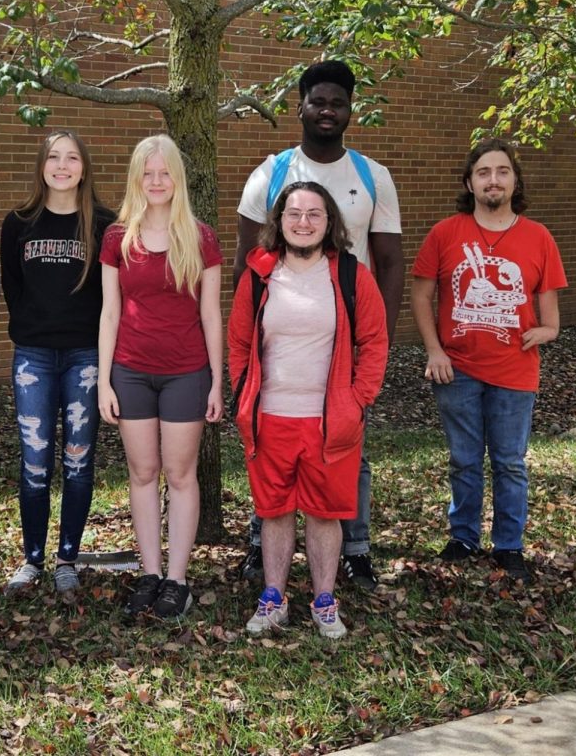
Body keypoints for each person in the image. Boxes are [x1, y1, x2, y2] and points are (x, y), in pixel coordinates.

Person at [233, 60, 403, 591]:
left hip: (344, 343)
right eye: (318, 101)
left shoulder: (373, 176)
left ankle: (356, 550)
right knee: (271, 447)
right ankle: (264, 548)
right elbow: (246, 263)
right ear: (300, 105)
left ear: (351, 111)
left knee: (350, 448)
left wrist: (376, 344)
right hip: (280, 339)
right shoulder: (271, 173)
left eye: (338, 102)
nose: (328, 110)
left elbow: (391, 262)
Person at [229, 182, 388, 639]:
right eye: (294, 213)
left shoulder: (351, 276)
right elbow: (240, 341)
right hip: (269, 416)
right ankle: (274, 597)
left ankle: (323, 600)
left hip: (330, 421)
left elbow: (374, 341)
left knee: (324, 513)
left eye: (314, 214)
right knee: (274, 510)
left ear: (329, 222)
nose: (303, 222)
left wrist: (359, 399)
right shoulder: (258, 275)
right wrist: (243, 394)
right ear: (279, 221)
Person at [410, 138, 566, 586]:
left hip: (515, 370)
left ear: (515, 181)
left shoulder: (538, 236)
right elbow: (421, 293)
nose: (493, 179)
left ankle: (509, 545)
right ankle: (463, 538)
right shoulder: (445, 233)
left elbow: (550, 308)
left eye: (502, 171)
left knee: (509, 461)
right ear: (469, 182)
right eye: (483, 172)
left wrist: (547, 330)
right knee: (463, 458)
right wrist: (434, 349)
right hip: (456, 368)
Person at [99, 134, 224, 619]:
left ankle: (177, 579)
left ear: (177, 178)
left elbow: (211, 314)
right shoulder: (117, 238)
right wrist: (105, 380)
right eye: (147, 173)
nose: (156, 181)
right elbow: (109, 314)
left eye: (164, 172)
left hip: (185, 373)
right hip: (130, 372)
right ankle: (149, 573)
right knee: (142, 473)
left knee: (180, 474)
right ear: (136, 178)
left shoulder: (200, 236)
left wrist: (217, 381)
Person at [0, 131, 116, 597]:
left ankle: (67, 557)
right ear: (41, 166)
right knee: (34, 464)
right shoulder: (19, 222)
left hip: (86, 356)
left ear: (84, 167)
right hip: (33, 355)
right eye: (54, 157)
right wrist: (34, 328)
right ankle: (32, 560)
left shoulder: (105, 224)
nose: (62, 166)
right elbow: (13, 287)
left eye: (72, 158)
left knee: (78, 461)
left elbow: (111, 297)